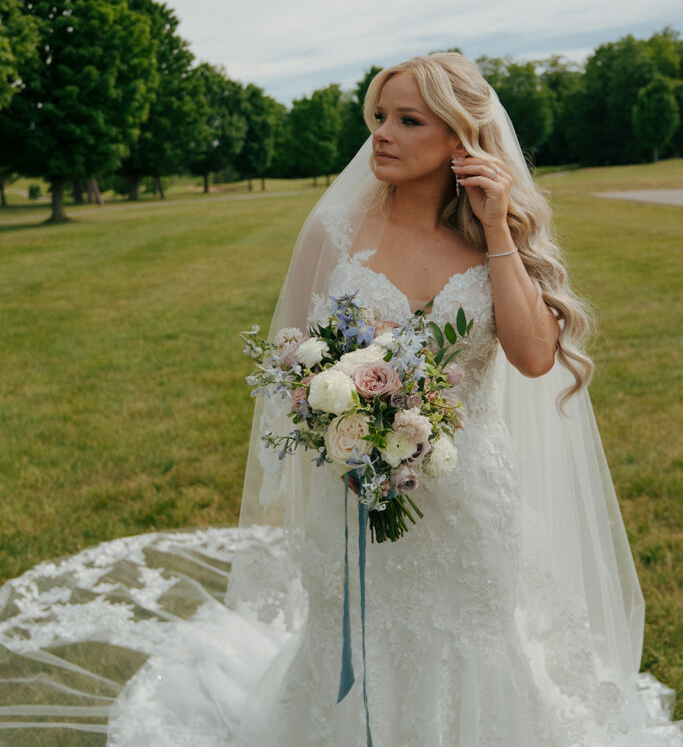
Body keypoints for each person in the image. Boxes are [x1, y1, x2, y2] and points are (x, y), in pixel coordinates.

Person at [0, 53, 681, 746]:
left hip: (470, 495)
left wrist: (499, 227)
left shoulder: (486, 241)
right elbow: (289, 359)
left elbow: (534, 358)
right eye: (378, 116)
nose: (380, 134)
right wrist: (334, 416)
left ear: (459, 138)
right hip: (352, 485)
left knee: (470, 633)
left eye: (406, 120)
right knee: (356, 630)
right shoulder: (334, 231)